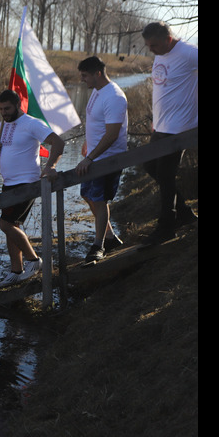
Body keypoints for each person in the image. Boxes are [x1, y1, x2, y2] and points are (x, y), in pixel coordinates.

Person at [0, 89, 66, 285]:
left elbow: (58, 142)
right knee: (11, 226)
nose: (4, 112)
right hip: (8, 183)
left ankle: (34, 261)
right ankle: (16, 270)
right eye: (0, 109)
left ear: (18, 105)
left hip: (26, 184)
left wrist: (50, 166)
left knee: (5, 224)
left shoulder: (31, 123)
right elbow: (12, 149)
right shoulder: (2, 125)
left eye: (7, 108)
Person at [141, 21, 198, 244]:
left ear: (168, 38)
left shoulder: (188, 53)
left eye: (153, 45)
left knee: (165, 173)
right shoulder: (161, 53)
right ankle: (183, 213)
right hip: (162, 126)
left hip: (180, 127)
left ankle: (167, 226)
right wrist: (156, 121)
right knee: (150, 166)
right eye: (147, 45)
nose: (150, 49)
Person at [74, 56, 128, 263]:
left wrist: (91, 157)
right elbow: (96, 122)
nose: (83, 80)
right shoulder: (97, 92)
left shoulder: (114, 96)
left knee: (99, 198)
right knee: (87, 195)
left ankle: (99, 245)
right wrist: (88, 145)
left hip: (107, 158)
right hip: (94, 155)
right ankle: (110, 237)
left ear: (98, 73)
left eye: (85, 76)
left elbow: (112, 134)